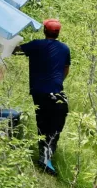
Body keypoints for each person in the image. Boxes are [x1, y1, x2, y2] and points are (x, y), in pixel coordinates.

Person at [15, 19, 70, 175]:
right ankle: (46, 158)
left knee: (43, 121)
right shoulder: (64, 49)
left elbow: (15, 50)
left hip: (38, 92)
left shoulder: (36, 45)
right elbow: (66, 70)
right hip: (56, 92)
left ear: (44, 30)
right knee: (56, 123)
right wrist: (56, 82)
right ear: (58, 32)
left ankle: (45, 157)